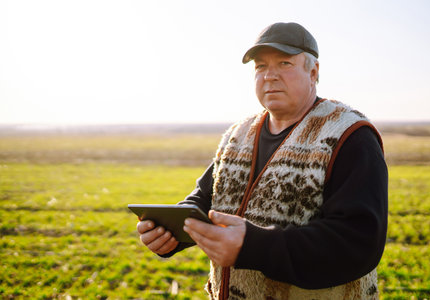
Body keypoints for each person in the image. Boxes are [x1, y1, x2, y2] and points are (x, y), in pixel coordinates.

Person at [137, 22, 388, 300]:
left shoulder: (348, 135)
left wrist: (253, 246)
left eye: (284, 63)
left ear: (313, 72)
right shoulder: (238, 135)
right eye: (260, 66)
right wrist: (170, 231)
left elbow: (356, 243)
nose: (270, 76)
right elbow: (203, 200)